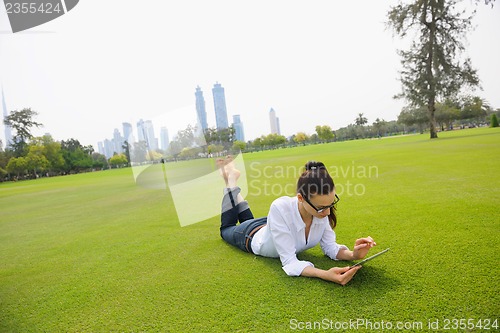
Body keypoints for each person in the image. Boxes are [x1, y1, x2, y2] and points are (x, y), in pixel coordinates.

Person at [218, 157, 377, 286]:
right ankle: (231, 182)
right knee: (227, 229)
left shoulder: (320, 211)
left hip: (272, 227)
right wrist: (324, 274)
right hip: (250, 235)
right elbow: (289, 262)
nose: (327, 212)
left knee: (250, 220)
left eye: (331, 204)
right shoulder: (280, 207)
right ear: (300, 198)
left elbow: (330, 247)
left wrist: (353, 254)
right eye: (322, 207)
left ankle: (232, 183)